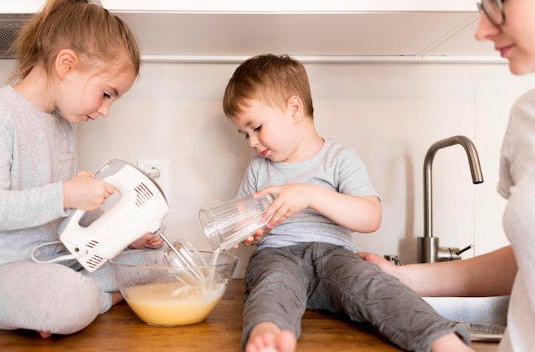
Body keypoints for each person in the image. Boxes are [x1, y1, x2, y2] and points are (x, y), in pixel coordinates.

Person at [221, 53, 472, 352]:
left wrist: (311, 195)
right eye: (244, 134)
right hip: (277, 255)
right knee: (271, 287)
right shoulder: (258, 168)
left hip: (334, 256)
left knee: (373, 286)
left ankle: (440, 339)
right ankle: (267, 335)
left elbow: (370, 217)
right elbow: (244, 221)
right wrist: (246, 228)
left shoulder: (340, 159)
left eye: (257, 127)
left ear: (294, 109)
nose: (251, 141)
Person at [0, 0, 162, 338]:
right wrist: (65, 194)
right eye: (106, 94)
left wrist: (125, 237)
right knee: (65, 296)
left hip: (55, 262)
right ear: (66, 65)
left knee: (155, 265)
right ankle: (100, 298)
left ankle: (80, 300)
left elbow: (65, 215)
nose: (105, 111)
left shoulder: (61, 125)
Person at [360, 1, 535, 350]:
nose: (480, 30)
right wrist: (403, 278)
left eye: (497, 4)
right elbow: (526, 259)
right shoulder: (527, 116)